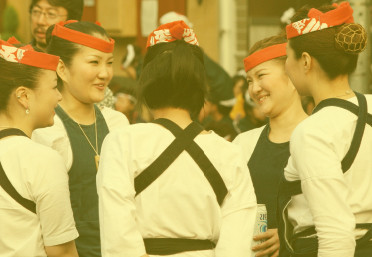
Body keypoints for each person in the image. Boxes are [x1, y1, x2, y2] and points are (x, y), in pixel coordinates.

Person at [97, 20, 258, 257]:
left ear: (147, 82)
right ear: (200, 86)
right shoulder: (229, 152)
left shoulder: (121, 142)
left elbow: (118, 237)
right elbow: (237, 245)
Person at [278, 2, 372, 256]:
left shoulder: (313, 131)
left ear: (306, 61)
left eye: (287, 56)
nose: (286, 66)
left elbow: (335, 234)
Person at [32, 20, 130, 257]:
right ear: (62, 69)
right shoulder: (46, 131)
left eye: (109, 63)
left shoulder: (118, 124)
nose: (105, 74)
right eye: (94, 62)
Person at [0, 39, 78, 256]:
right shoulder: (43, 160)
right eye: (54, 87)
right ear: (24, 96)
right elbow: (61, 251)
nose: (59, 96)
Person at [233, 34, 308, 257]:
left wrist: (288, 233)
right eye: (249, 81)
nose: (255, 89)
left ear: (292, 75)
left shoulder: (321, 138)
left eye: (261, 76)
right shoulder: (243, 144)